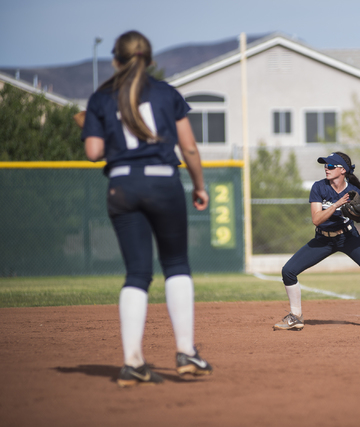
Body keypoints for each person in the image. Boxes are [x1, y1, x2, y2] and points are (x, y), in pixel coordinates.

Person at [81, 31, 213, 386]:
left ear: (116, 61)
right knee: (176, 264)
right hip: (163, 182)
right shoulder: (166, 94)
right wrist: (199, 186)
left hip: (122, 185)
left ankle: (133, 362)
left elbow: (93, 153)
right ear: (150, 60)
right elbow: (189, 149)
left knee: (137, 274)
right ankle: (186, 352)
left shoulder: (100, 98)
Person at [274, 152, 360, 330]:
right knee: (288, 271)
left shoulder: (354, 191)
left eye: (330, 166)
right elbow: (316, 219)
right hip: (323, 239)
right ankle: (296, 316)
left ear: (343, 170)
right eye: (325, 165)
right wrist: (336, 205)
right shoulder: (319, 187)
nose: (326, 168)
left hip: (348, 237)